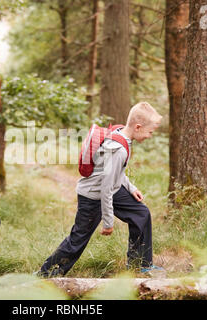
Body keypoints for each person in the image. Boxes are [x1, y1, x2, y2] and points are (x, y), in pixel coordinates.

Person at [38, 102, 164, 277]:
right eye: (150, 132)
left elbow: (116, 173)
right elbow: (105, 189)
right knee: (78, 239)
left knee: (141, 214)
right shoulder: (118, 149)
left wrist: (131, 187)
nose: (150, 136)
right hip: (93, 196)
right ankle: (46, 274)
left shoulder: (122, 135)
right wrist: (108, 222)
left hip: (111, 188)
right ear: (138, 127)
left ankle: (140, 264)